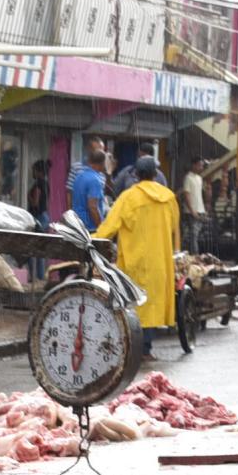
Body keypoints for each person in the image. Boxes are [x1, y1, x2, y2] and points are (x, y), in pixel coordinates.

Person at [93, 155, 181, 355]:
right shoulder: (168, 197)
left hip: (136, 260)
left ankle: (135, 347)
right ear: (155, 174)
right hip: (160, 260)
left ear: (136, 175)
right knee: (150, 303)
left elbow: (109, 227)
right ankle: (146, 347)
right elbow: (175, 227)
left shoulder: (129, 197)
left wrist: (93, 239)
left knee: (135, 303)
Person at [70, 138, 109, 232]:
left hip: (77, 224)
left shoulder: (79, 176)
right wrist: (101, 228)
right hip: (90, 227)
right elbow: (92, 207)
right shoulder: (95, 180)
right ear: (102, 163)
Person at [26, 158, 53, 282]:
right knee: (41, 249)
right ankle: (41, 277)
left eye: (33, 170)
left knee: (32, 248)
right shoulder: (46, 183)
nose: (32, 172)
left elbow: (35, 203)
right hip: (44, 216)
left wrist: (28, 197)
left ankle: (34, 277)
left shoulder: (38, 184)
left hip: (38, 218)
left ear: (38, 171)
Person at [180, 157, 208, 254]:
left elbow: (199, 195)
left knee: (197, 235)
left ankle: (194, 254)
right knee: (193, 235)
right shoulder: (188, 178)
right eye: (199, 165)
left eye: (202, 166)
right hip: (191, 211)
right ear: (194, 165)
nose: (201, 168)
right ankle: (194, 255)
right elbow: (186, 195)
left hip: (200, 210)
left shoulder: (199, 178)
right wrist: (192, 210)